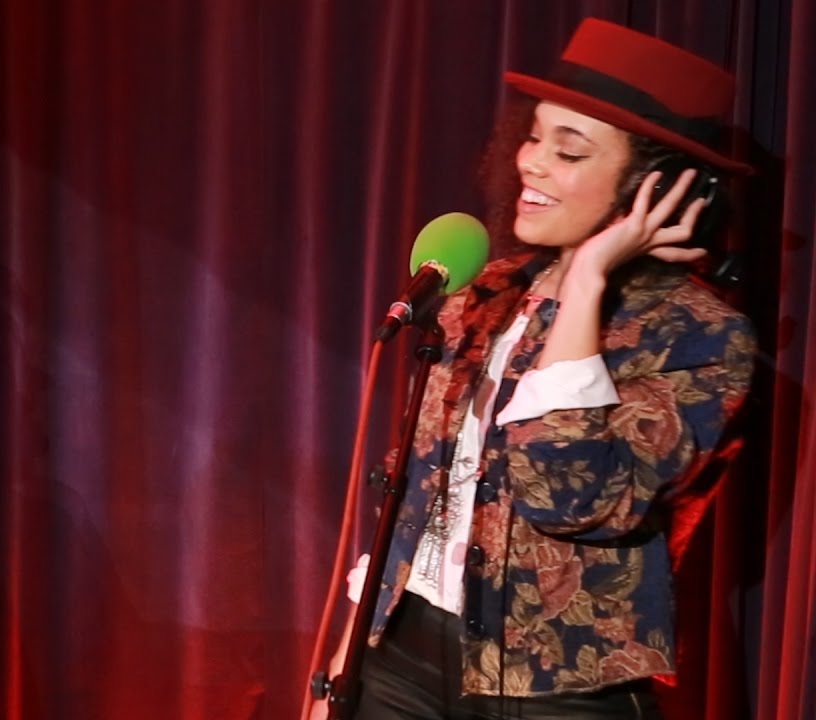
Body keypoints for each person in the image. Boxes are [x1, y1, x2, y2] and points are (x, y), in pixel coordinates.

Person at [312, 18, 756, 719]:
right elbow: (413, 494)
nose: (532, 163)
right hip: (400, 659)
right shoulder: (485, 292)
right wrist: (344, 666)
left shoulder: (699, 335)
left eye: (568, 150)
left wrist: (586, 280)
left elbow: (569, 497)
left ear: (653, 189)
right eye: (534, 137)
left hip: (558, 689)